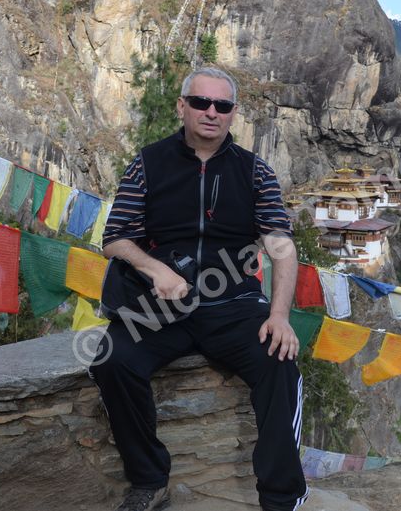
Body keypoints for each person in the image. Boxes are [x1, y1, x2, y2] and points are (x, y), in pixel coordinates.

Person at [89, 67, 308, 511]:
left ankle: (281, 499)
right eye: (201, 102)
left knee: (279, 361)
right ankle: (149, 479)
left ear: (233, 113)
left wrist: (279, 315)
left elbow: (282, 246)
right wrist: (154, 269)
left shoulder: (254, 172)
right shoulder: (148, 164)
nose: (211, 112)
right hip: (161, 302)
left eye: (222, 105)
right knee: (112, 360)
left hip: (234, 302)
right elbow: (115, 238)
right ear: (182, 106)